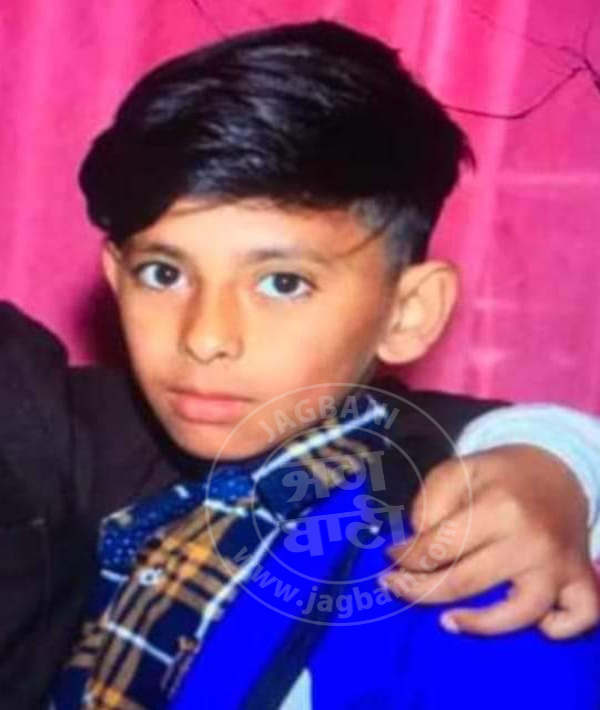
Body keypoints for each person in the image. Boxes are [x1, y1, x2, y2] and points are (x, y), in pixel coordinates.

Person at [2, 19, 599, 710]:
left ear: (408, 312)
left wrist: (556, 460)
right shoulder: (135, 480)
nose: (206, 337)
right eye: (163, 274)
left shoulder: (477, 583)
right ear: (116, 277)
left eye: (282, 283)